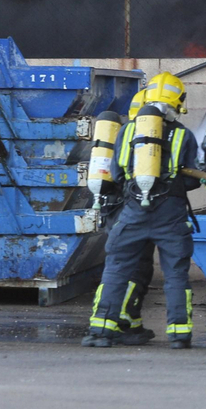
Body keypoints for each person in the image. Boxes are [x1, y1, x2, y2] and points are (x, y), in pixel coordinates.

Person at [83, 71, 199, 349]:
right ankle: (179, 334)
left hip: (133, 213)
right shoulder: (184, 134)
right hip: (170, 216)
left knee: (117, 268)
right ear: (177, 100)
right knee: (175, 273)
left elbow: (116, 174)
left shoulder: (128, 130)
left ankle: (100, 331)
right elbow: (194, 179)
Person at [82, 90, 154, 345]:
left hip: (110, 208)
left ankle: (109, 322)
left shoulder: (118, 134)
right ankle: (121, 322)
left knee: (116, 266)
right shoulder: (144, 138)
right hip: (130, 209)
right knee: (136, 266)